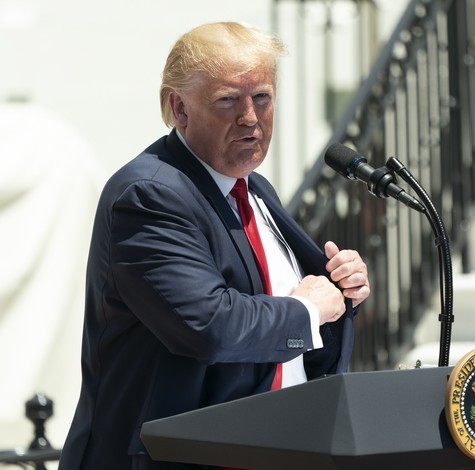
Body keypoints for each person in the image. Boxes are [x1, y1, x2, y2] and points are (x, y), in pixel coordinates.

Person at [58, 22, 370, 470]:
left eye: (261, 97)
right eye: (228, 101)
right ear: (179, 109)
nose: (250, 117)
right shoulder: (149, 194)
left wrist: (340, 291)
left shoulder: (255, 190)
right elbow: (207, 325)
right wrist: (309, 309)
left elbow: (290, 328)